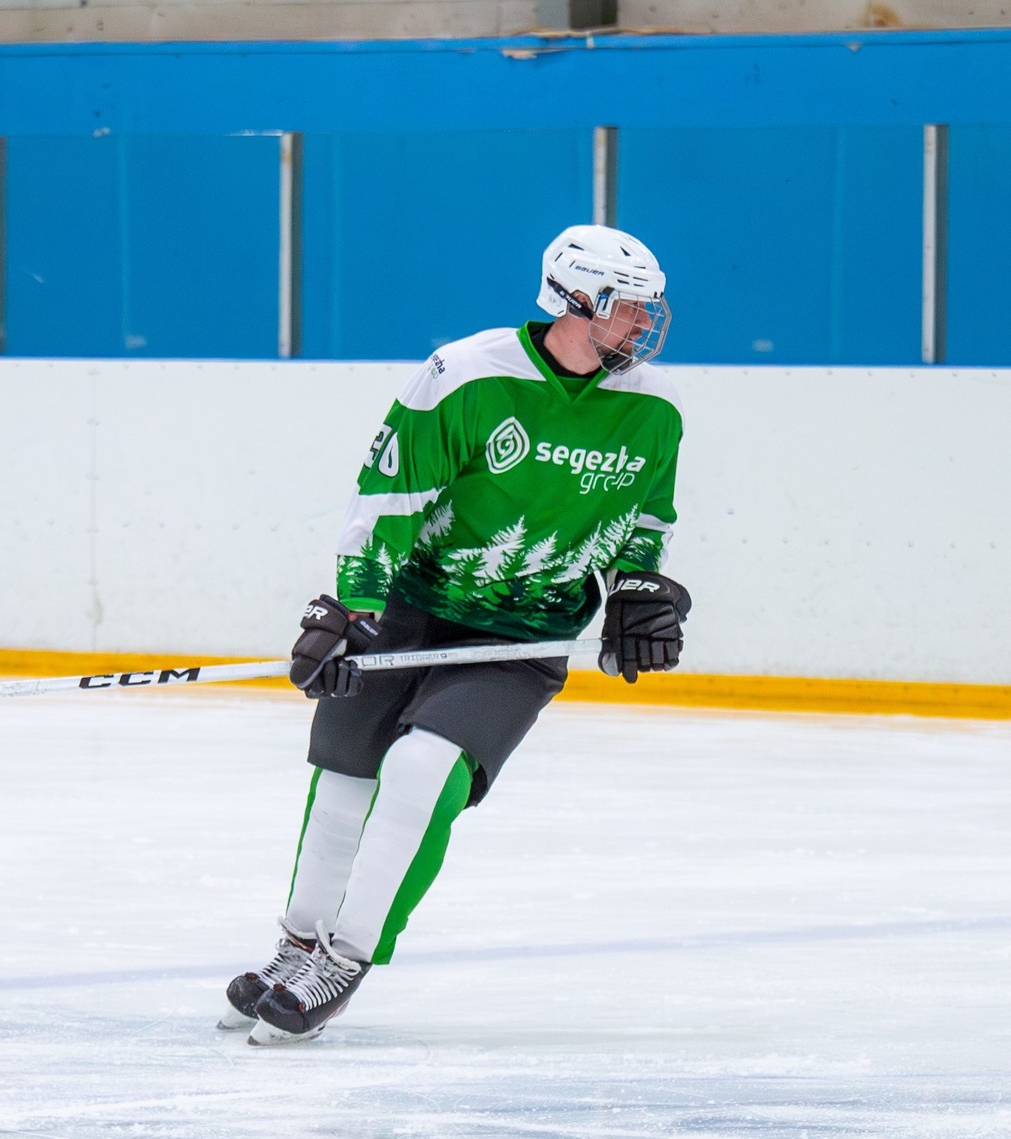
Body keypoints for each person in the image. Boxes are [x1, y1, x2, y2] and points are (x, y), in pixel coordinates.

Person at [219, 224, 693, 1045]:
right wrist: (356, 609)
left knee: (419, 771)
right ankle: (296, 945)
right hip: (410, 607)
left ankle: (347, 954)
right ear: (573, 303)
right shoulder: (465, 374)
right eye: (624, 310)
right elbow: (389, 497)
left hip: (520, 636)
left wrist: (640, 592)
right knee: (343, 781)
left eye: (646, 311)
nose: (638, 329)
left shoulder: (652, 408)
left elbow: (644, 523)